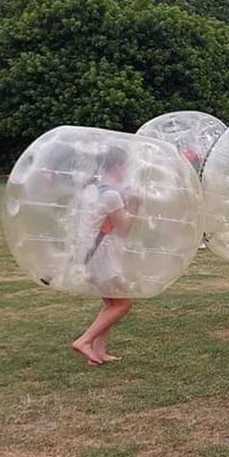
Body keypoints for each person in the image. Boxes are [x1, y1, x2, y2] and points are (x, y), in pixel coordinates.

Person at [70, 146, 139, 366]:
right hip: (103, 255)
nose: (127, 171)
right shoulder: (110, 194)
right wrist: (135, 205)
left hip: (88, 253)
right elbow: (124, 227)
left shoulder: (92, 189)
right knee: (122, 304)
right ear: (118, 165)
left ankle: (98, 353)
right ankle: (85, 341)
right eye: (126, 166)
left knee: (111, 303)